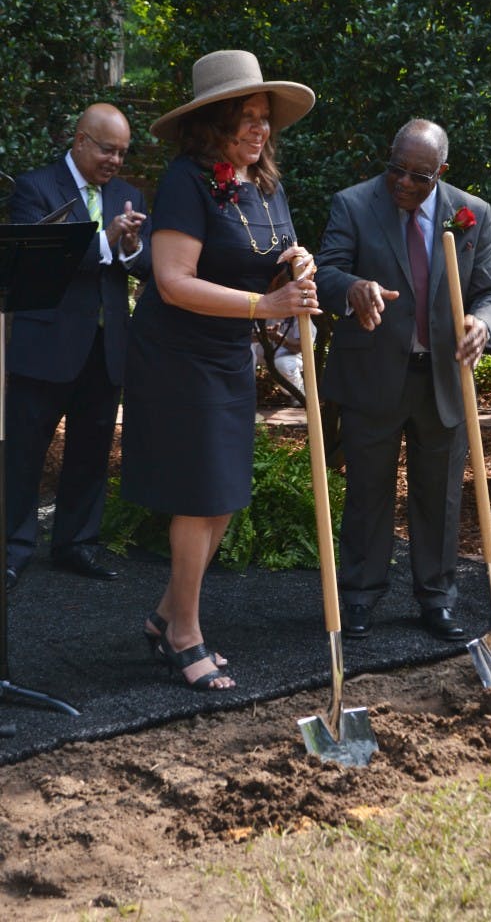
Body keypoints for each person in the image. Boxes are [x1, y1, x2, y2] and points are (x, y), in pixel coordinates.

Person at [120, 49, 319, 690]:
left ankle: (164, 615)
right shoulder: (186, 180)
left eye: (265, 118)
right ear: (213, 123)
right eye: (246, 117)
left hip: (229, 354)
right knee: (200, 495)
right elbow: (174, 282)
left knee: (227, 495)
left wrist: (296, 264)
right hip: (176, 355)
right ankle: (185, 634)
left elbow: (259, 258)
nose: (260, 129)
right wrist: (267, 303)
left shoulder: (265, 183)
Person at [315, 118, 491, 640]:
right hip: (372, 375)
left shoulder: (473, 214)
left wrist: (481, 324)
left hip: (442, 379)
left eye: (418, 176)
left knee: (440, 495)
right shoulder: (352, 205)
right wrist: (352, 287)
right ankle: (358, 595)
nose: (403, 182)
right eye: (395, 168)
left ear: (441, 172)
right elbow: (326, 273)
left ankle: (437, 598)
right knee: (368, 491)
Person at [6, 103, 152, 589]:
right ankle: (13, 547)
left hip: (105, 347)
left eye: (123, 152)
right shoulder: (35, 188)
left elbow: (142, 264)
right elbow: (40, 260)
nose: (115, 160)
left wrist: (131, 247)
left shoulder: (127, 195)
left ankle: (76, 544)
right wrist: (107, 241)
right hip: (45, 344)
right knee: (24, 452)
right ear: (80, 141)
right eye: (107, 149)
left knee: (91, 453)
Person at [252, 315, 315, 405]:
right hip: (260, 350)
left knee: (283, 364)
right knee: (245, 351)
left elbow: (303, 347)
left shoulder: (300, 316)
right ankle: (244, 393)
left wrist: (282, 340)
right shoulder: (261, 308)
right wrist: (262, 335)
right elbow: (243, 337)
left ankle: (296, 392)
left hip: (288, 355)